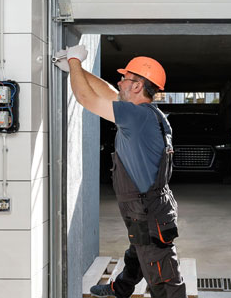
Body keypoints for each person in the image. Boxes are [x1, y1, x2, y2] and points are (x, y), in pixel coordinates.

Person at [54, 45, 186, 298]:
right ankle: (120, 288)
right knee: (137, 251)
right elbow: (110, 94)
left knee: (164, 277)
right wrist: (77, 70)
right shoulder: (146, 114)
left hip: (147, 209)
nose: (120, 82)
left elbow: (86, 99)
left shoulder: (135, 116)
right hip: (150, 206)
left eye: (125, 78)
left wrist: (73, 61)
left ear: (137, 86)